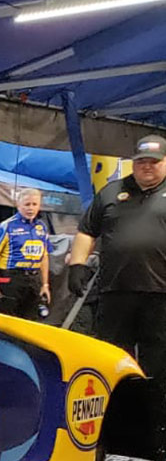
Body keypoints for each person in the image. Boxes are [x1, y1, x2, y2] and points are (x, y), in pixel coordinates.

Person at [67, 134, 166, 380]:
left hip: (161, 297)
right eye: (141, 160)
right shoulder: (111, 192)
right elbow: (86, 231)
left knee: (158, 365)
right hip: (115, 293)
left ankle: (156, 415)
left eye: (154, 161)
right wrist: (77, 265)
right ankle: (115, 413)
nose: (147, 166)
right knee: (112, 360)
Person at [0, 189, 51, 320]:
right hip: (11, 278)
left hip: (33, 279)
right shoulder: (6, 226)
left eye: (34, 204)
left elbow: (45, 257)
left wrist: (45, 284)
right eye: (27, 204)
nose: (30, 208)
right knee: (8, 320)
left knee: (32, 320)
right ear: (18, 205)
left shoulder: (42, 227)